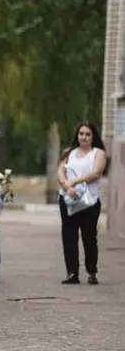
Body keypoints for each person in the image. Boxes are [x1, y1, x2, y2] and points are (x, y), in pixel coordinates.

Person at [57, 122, 106, 285]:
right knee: (68, 236)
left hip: (89, 201)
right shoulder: (68, 152)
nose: (83, 137)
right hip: (68, 199)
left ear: (93, 137)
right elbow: (60, 171)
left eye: (87, 134)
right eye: (81, 134)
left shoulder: (97, 153)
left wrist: (75, 181)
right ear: (77, 135)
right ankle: (72, 273)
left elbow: (95, 173)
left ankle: (92, 271)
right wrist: (66, 186)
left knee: (89, 236)